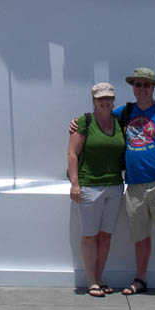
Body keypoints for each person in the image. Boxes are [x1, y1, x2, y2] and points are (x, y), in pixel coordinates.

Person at [73, 66, 155, 302]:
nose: (142, 89)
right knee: (140, 237)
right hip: (134, 186)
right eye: (137, 84)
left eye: (146, 85)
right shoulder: (125, 111)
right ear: (133, 88)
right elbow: (100, 116)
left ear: (153, 88)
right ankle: (141, 279)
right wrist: (76, 122)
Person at [67, 82, 125, 298]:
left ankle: (99, 277)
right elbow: (72, 153)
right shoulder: (84, 122)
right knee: (90, 236)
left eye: (108, 97)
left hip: (114, 186)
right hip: (90, 186)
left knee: (106, 235)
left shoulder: (120, 121)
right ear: (93, 100)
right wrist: (75, 183)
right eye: (100, 98)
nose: (105, 101)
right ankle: (91, 280)